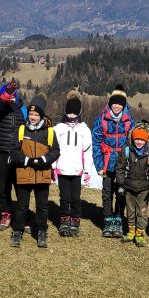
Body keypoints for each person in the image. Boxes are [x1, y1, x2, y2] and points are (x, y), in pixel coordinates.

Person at [9, 94, 59, 248]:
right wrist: (27, 160)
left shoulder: (49, 132)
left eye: (36, 114)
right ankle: (17, 230)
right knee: (22, 205)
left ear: (42, 115)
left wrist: (43, 160)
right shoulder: (21, 129)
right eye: (31, 114)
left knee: (42, 205)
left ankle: (41, 231)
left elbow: (56, 151)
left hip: (42, 173)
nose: (33, 117)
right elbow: (14, 151)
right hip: (24, 172)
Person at [91, 84, 133, 237]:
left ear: (124, 105)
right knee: (107, 193)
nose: (117, 106)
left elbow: (133, 144)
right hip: (107, 163)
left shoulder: (129, 122)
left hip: (123, 165)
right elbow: (96, 144)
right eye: (114, 103)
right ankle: (108, 220)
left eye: (120, 103)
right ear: (110, 104)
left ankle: (118, 219)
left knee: (121, 192)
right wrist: (99, 165)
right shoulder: (101, 121)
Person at [53, 89, 93, 237]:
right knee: (64, 198)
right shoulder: (58, 129)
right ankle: (64, 222)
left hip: (77, 170)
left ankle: (75, 222)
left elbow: (88, 151)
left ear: (79, 112)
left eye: (74, 113)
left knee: (75, 198)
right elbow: (53, 149)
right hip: (62, 169)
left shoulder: (84, 130)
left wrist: (87, 170)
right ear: (65, 112)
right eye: (69, 112)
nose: (71, 115)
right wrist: (52, 168)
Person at [114, 122, 149, 247]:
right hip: (128, 187)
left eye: (142, 139)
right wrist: (121, 184)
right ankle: (131, 231)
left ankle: (140, 234)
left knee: (142, 211)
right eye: (137, 139)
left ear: (146, 140)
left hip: (144, 189)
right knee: (130, 210)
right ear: (132, 138)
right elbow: (120, 168)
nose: (139, 142)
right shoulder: (126, 150)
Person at [0, 80, 26, 230]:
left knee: (20, 186)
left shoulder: (23, 109)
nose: (11, 96)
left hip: (19, 152)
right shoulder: (0, 109)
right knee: (4, 186)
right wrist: (5, 97)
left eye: (13, 93)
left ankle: (21, 215)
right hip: (3, 153)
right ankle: (6, 213)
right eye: (7, 94)